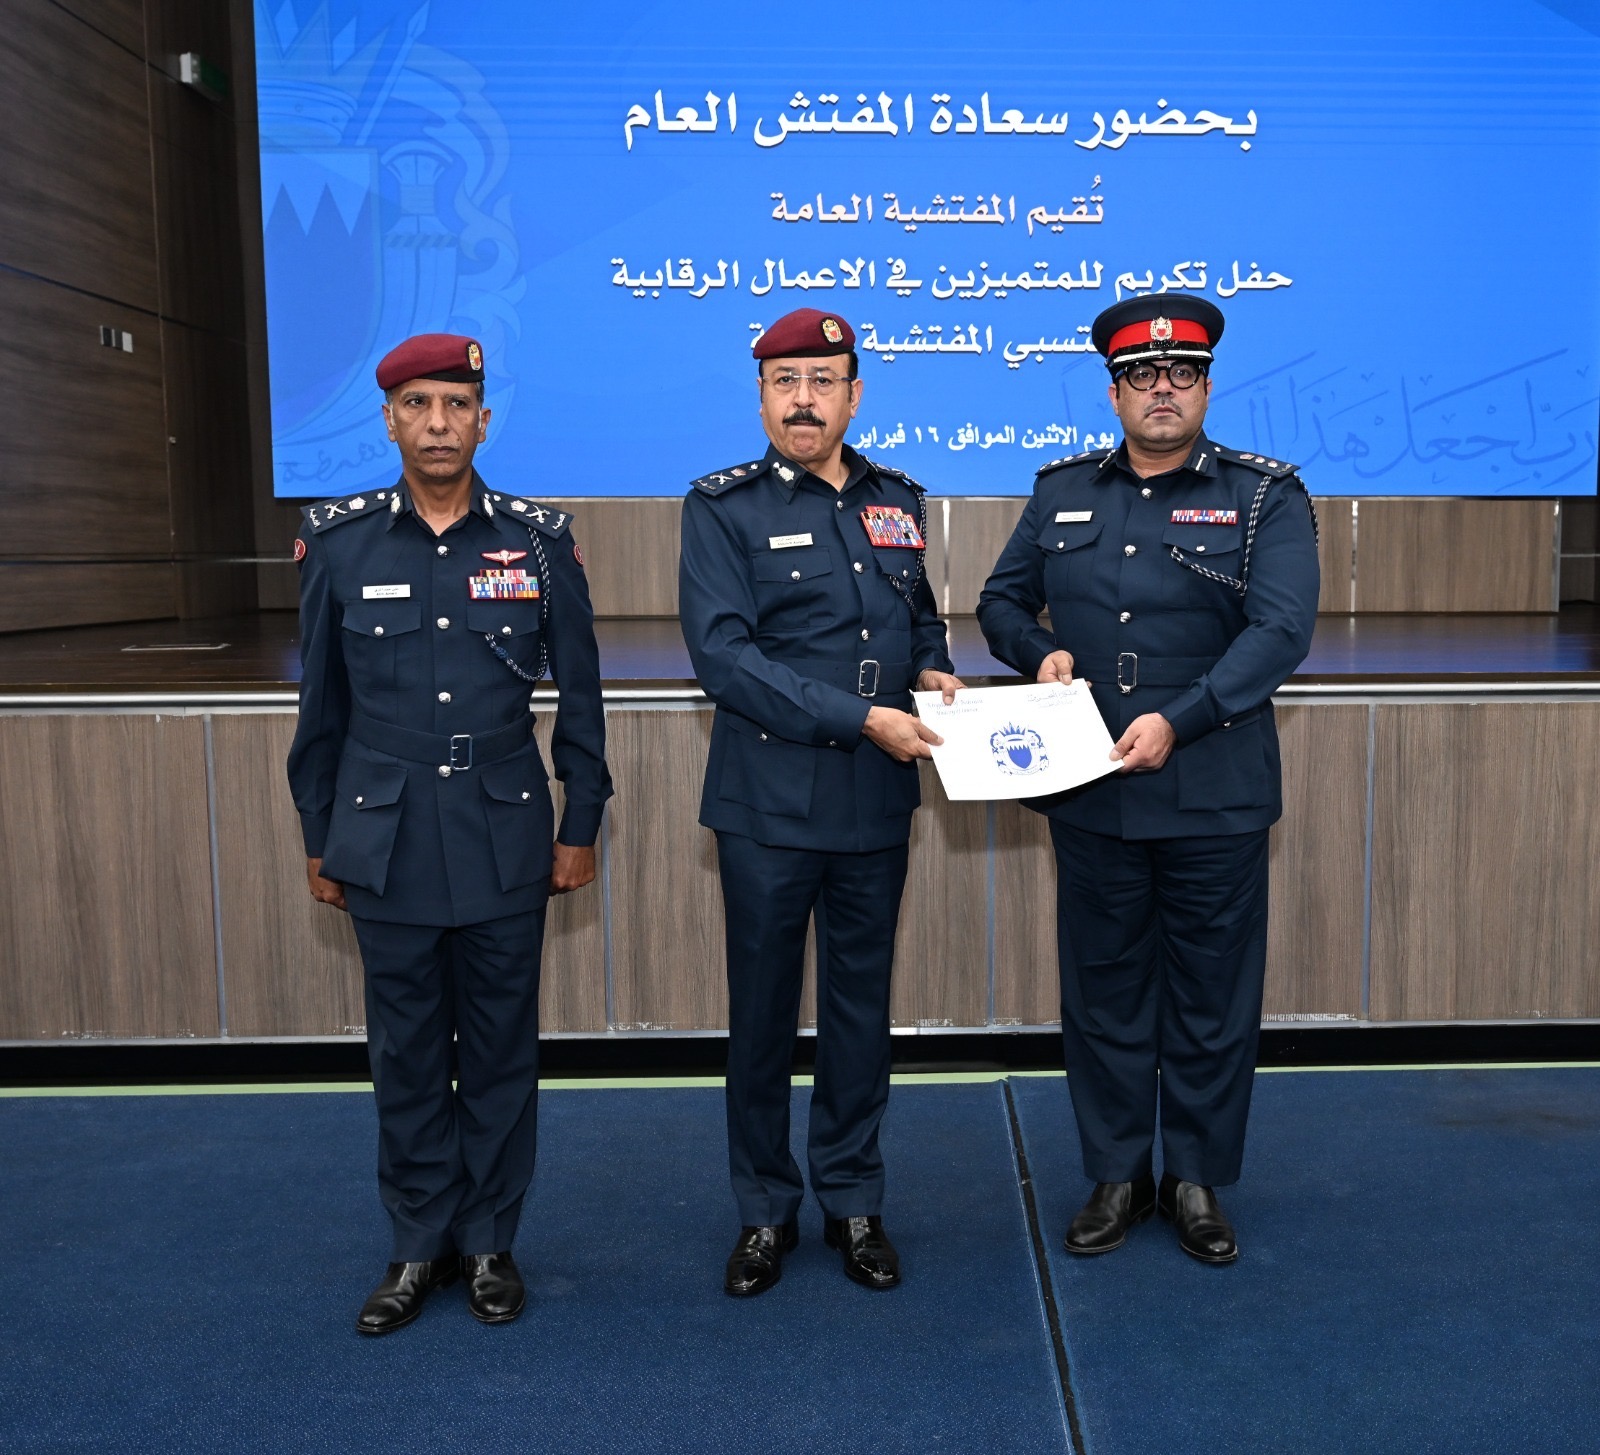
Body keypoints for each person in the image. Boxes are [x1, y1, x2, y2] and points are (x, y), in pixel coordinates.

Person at [976, 296, 1319, 1264]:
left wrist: (1184, 718)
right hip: (1093, 788)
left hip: (1213, 783)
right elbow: (999, 601)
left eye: (1180, 374)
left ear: (1205, 387)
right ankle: (1117, 1174)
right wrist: (1037, 652)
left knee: (1211, 993)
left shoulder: (1263, 495)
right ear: (1113, 392)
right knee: (1105, 991)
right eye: (1140, 375)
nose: (1160, 389)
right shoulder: (1061, 490)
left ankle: (1195, 1179)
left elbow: (1280, 631)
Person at [287, 332, 612, 1333]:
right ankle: (416, 1241)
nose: (439, 423)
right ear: (389, 420)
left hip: (505, 831)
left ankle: (488, 1242)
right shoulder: (339, 543)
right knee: (407, 1052)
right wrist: (319, 835)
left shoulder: (539, 542)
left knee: (503, 1049)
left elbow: (582, 699)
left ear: (483, 419)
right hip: (381, 838)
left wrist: (582, 820)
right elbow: (320, 713)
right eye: (419, 405)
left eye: (457, 405)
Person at [678, 307, 964, 1297]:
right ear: (762, 396)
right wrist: (862, 717)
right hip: (768, 804)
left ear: (854, 394)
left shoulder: (898, 501)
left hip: (875, 802)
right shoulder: (721, 507)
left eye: (823, 381)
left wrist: (934, 673)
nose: (804, 400)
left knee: (859, 1011)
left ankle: (853, 1199)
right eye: (785, 382)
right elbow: (724, 659)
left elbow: (919, 620)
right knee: (761, 1017)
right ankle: (764, 1210)